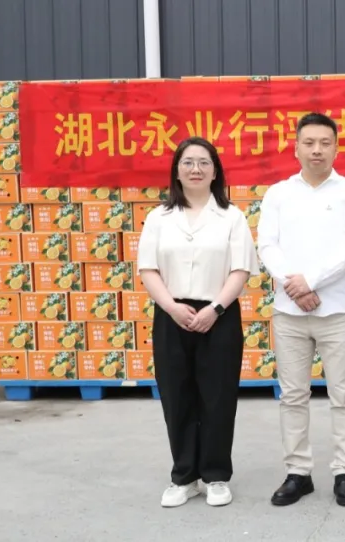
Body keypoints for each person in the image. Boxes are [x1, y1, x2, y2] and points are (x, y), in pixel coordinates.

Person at [137, 136, 260, 508]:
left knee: (218, 396)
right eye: (188, 162)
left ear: (215, 171)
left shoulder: (231, 216)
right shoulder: (159, 218)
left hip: (218, 314)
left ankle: (216, 475)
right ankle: (184, 476)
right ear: (176, 171)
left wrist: (215, 309)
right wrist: (172, 307)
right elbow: (148, 269)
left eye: (204, 162)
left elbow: (240, 269)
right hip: (171, 314)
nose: (196, 169)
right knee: (177, 396)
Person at [257, 113, 345, 508]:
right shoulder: (278, 194)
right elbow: (267, 245)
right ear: (296, 147)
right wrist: (295, 285)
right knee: (292, 395)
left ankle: (344, 472)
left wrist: (311, 281)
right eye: (309, 143)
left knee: (343, 395)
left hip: (336, 311)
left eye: (325, 142)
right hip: (289, 312)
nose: (317, 150)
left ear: (336, 147)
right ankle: (298, 472)